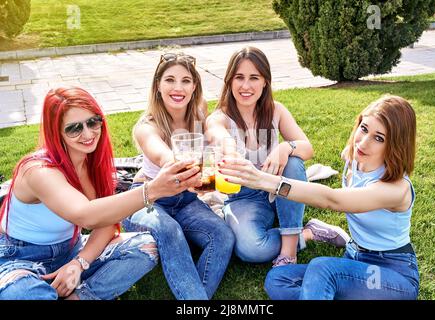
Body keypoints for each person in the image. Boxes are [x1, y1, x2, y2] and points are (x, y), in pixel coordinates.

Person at [0, 87, 201, 300]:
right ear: (56, 131)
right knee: (22, 294)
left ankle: (79, 296)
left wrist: (79, 262)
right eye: (74, 128)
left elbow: (107, 223)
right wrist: (153, 190)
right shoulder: (38, 171)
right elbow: (85, 214)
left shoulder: (91, 163)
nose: (88, 134)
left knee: (146, 246)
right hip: (20, 258)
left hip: (71, 250)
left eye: (93, 122)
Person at [218, 95, 420, 300]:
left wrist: (262, 180)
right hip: (355, 259)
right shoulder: (354, 158)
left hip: (392, 274)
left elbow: (333, 200)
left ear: (396, 144)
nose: (363, 142)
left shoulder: (397, 189)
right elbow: (342, 151)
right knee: (278, 278)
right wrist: (288, 148)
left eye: (379, 138)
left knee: (323, 268)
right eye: (364, 128)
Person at [121, 53, 235, 300]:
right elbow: (166, 159)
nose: (178, 88)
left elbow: (212, 153)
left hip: (185, 200)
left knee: (223, 236)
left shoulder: (199, 114)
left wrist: (211, 176)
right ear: (158, 85)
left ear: (195, 87)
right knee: (171, 232)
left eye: (185, 81)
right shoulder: (147, 126)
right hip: (147, 200)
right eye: (170, 80)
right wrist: (195, 175)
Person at [206, 46, 331, 267]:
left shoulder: (277, 111)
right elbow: (218, 134)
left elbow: (307, 148)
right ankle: (309, 232)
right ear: (229, 81)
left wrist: (284, 148)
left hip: (278, 188)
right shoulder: (220, 117)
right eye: (239, 78)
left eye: (254, 77)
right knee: (250, 249)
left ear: (265, 81)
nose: (246, 86)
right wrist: (230, 149)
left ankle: (289, 250)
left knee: (293, 161)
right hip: (243, 198)